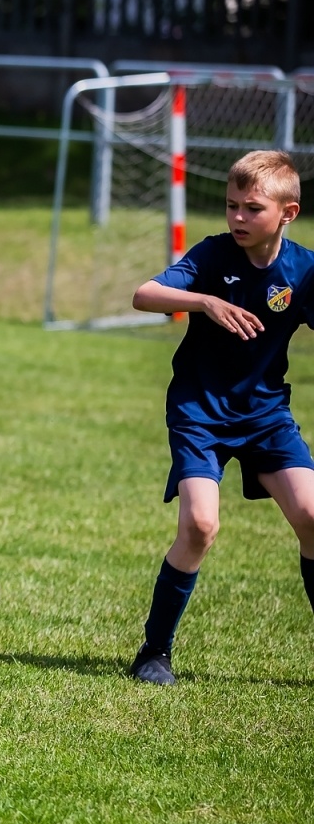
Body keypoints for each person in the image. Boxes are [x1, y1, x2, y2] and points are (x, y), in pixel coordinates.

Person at [128, 150, 314, 685]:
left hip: (265, 415)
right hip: (200, 410)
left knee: (311, 517)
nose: (237, 217)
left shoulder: (304, 270)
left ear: (288, 213)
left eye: (251, 208)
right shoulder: (212, 256)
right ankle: (154, 652)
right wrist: (204, 302)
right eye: (231, 205)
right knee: (200, 525)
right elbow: (145, 294)